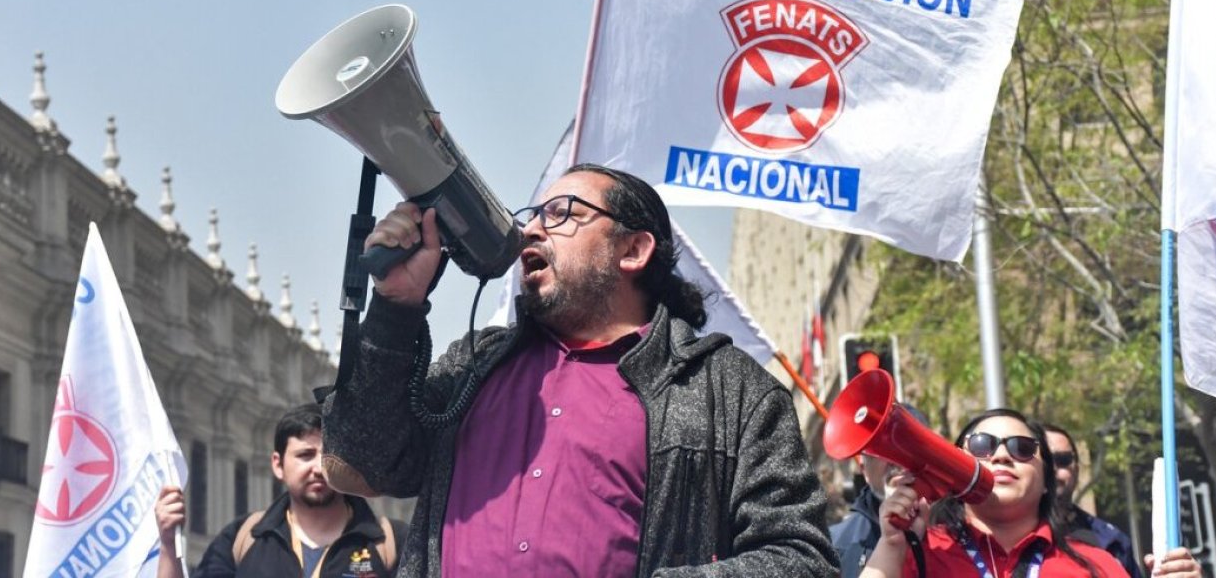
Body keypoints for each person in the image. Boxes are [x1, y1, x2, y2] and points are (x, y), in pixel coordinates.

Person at [321, 164, 839, 576]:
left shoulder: (731, 392)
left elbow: (801, 558)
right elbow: (359, 464)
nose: (530, 229)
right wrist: (395, 308)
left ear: (634, 250)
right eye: (534, 214)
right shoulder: (475, 365)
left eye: (563, 213)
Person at [858, 408, 1202, 577]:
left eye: (1023, 448)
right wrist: (892, 545)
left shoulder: (1099, 565)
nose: (1002, 455)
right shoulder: (917, 556)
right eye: (982, 445)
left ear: (1048, 478)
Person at [154, 403, 405, 577]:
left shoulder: (391, 542)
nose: (318, 468)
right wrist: (167, 543)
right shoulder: (243, 539)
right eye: (305, 455)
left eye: (328, 457)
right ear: (278, 464)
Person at [829, 404, 930, 577]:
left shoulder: (959, 528)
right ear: (864, 469)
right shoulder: (833, 545)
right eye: (883, 448)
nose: (897, 459)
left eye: (910, 445)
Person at [1042, 423, 1143, 578]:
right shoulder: (1006, 534)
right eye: (1045, 460)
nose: (1053, 468)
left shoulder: (1111, 541)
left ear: (1076, 469)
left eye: (1062, 459)